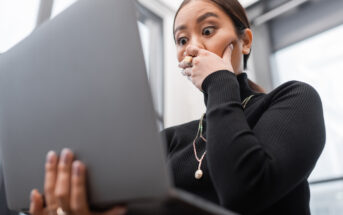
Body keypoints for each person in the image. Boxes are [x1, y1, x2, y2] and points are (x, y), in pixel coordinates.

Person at [29, 0, 326, 214]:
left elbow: (244, 193)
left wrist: (219, 79)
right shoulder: (171, 140)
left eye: (208, 31)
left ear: (245, 41)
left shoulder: (294, 99)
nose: (192, 47)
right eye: (182, 39)